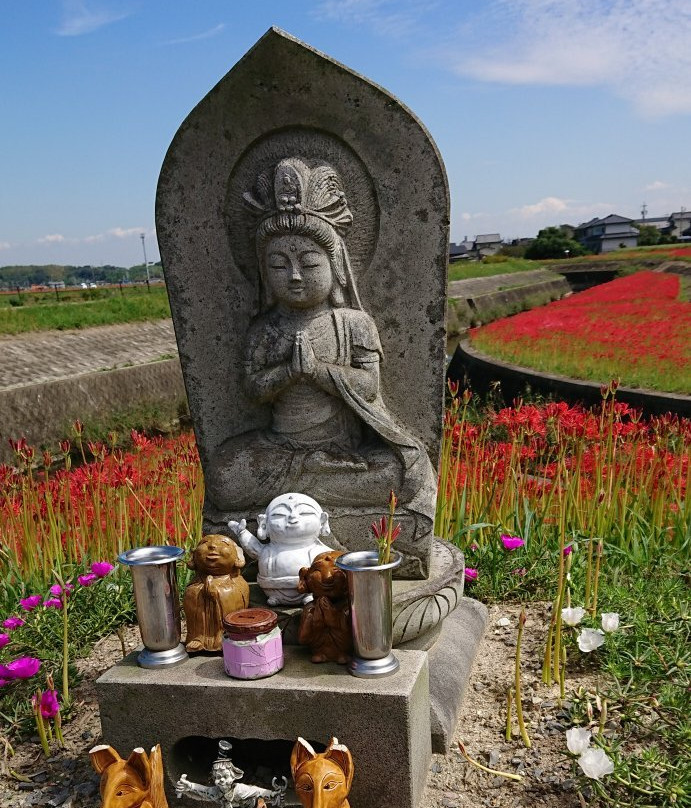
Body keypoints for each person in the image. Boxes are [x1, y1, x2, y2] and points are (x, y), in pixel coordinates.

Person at [205, 157, 435, 537]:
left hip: (344, 451)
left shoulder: (353, 324)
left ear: (337, 266)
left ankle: (295, 500)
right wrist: (286, 373)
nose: (294, 276)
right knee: (224, 476)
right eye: (279, 266)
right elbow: (251, 390)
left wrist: (318, 371)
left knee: (404, 473)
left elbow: (369, 387)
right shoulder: (264, 329)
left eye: (309, 264)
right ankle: (312, 489)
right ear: (263, 272)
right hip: (279, 448)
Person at [228, 493, 333, 606]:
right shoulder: (268, 550)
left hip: (310, 591)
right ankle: (275, 598)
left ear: (322, 521)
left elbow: (336, 560)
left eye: (305, 513)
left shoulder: (319, 551)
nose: (293, 518)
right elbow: (253, 549)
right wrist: (242, 533)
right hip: (272, 590)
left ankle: (307, 596)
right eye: (279, 515)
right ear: (264, 523)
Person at [175, 740, 286, 808]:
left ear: (234, 776)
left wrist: (273, 794)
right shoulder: (216, 792)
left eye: (225, 776)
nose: (221, 780)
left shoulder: (241, 790)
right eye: (218, 777)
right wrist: (189, 786)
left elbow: (258, 791)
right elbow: (204, 791)